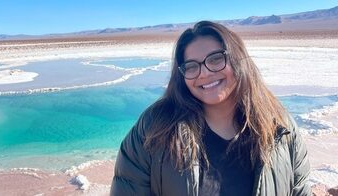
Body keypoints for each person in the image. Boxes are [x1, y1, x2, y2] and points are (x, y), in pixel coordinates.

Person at [110, 21, 311, 196]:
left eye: (216, 59)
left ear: (237, 59)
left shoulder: (281, 130)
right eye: (191, 66)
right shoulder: (154, 130)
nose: (204, 73)